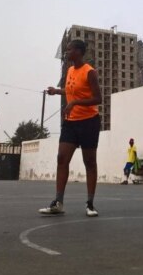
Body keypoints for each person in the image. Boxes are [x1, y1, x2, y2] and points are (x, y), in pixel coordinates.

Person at [38, 39, 102, 217]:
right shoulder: (70, 70)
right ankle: (58, 202)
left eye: (69, 50)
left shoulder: (90, 72)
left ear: (79, 52)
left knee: (89, 162)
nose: (66, 53)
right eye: (66, 50)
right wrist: (57, 91)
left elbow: (98, 99)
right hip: (71, 122)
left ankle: (90, 204)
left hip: (89, 121)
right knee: (61, 158)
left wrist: (75, 102)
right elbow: (72, 90)